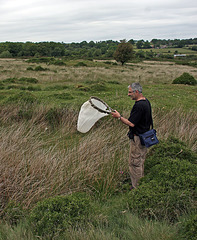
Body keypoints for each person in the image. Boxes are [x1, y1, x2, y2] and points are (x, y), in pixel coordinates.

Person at [111, 82, 152, 189]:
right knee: (140, 161)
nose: (128, 94)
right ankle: (140, 183)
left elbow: (131, 123)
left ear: (136, 92)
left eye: (130, 92)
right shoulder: (146, 101)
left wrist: (119, 117)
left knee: (135, 163)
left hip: (138, 138)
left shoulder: (139, 106)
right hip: (144, 137)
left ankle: (137, 188)